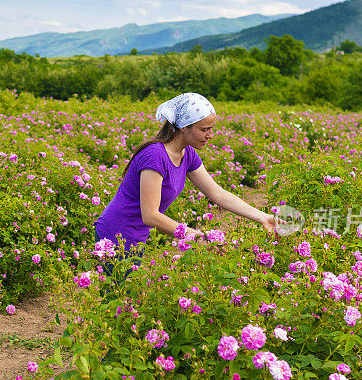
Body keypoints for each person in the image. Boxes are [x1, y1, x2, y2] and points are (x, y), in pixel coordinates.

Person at [94, 92, 275, 266]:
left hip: (137, 234)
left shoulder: (187, 154)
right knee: (120, 293)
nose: (210, 135)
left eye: (211, 128)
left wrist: (263, 217)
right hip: (115, 233)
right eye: (204, 129)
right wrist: (200, 237)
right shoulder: (155, 156)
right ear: (183, 127)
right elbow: (150, 215)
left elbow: (217, 193)